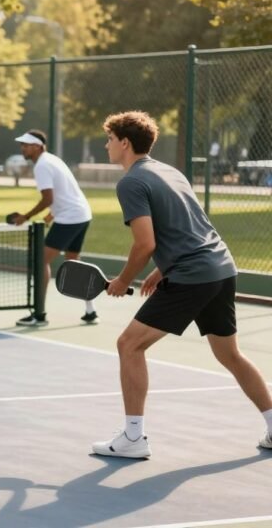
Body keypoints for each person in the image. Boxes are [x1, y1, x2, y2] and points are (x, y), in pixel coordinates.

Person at [93, 111, 272, 458]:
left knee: (129, 345)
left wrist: (122, 281)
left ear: (125, 143)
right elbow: (189, 224)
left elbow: (144, 244)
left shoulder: (130, 182)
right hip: (221, 267)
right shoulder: (169, 171)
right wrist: (162, 270)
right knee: (229, 354)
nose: (106, 146)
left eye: (110, 140)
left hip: (194, 275)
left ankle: (132, 438)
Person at [10, 130, 95, 326]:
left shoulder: (42, 165)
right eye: (21, 144)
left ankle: (39, 314)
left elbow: (49, 198)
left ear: (38, 146)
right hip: (82, 215)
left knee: (41, 260)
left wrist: (25, 217)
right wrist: (50, 215)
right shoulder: (52, 160)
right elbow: (64, 193)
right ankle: (91, 311)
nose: (23, 148)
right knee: (73, 263)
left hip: (70, 218)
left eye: (26, 144)